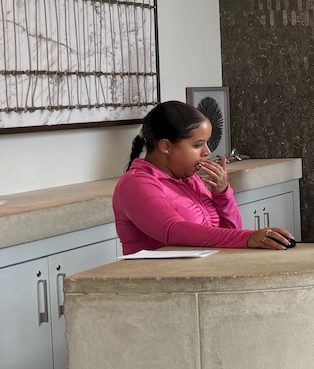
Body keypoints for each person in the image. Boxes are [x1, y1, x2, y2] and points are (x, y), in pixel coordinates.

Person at [113, 101, 294, 254]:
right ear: (166, 146)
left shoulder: (190, 180)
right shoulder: (135, 184)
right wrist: (249, 237)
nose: (207, 152)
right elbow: (173, 232)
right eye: (198, 145)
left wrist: (222, 194)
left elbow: (230, 235)